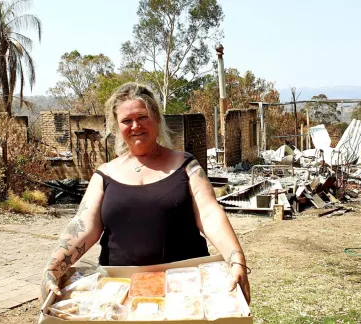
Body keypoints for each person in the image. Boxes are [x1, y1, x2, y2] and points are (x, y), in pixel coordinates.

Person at [40, 82, 251, 305]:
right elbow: (84, 224)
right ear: (117, 127)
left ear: (157, 118)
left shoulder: (187, 166)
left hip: (183, 291)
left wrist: (236, 258)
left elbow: (209, 213)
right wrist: (53, 268)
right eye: (126, 121)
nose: (135, 126)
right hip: (121, 294)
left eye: (142, 117)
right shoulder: (104, 174)